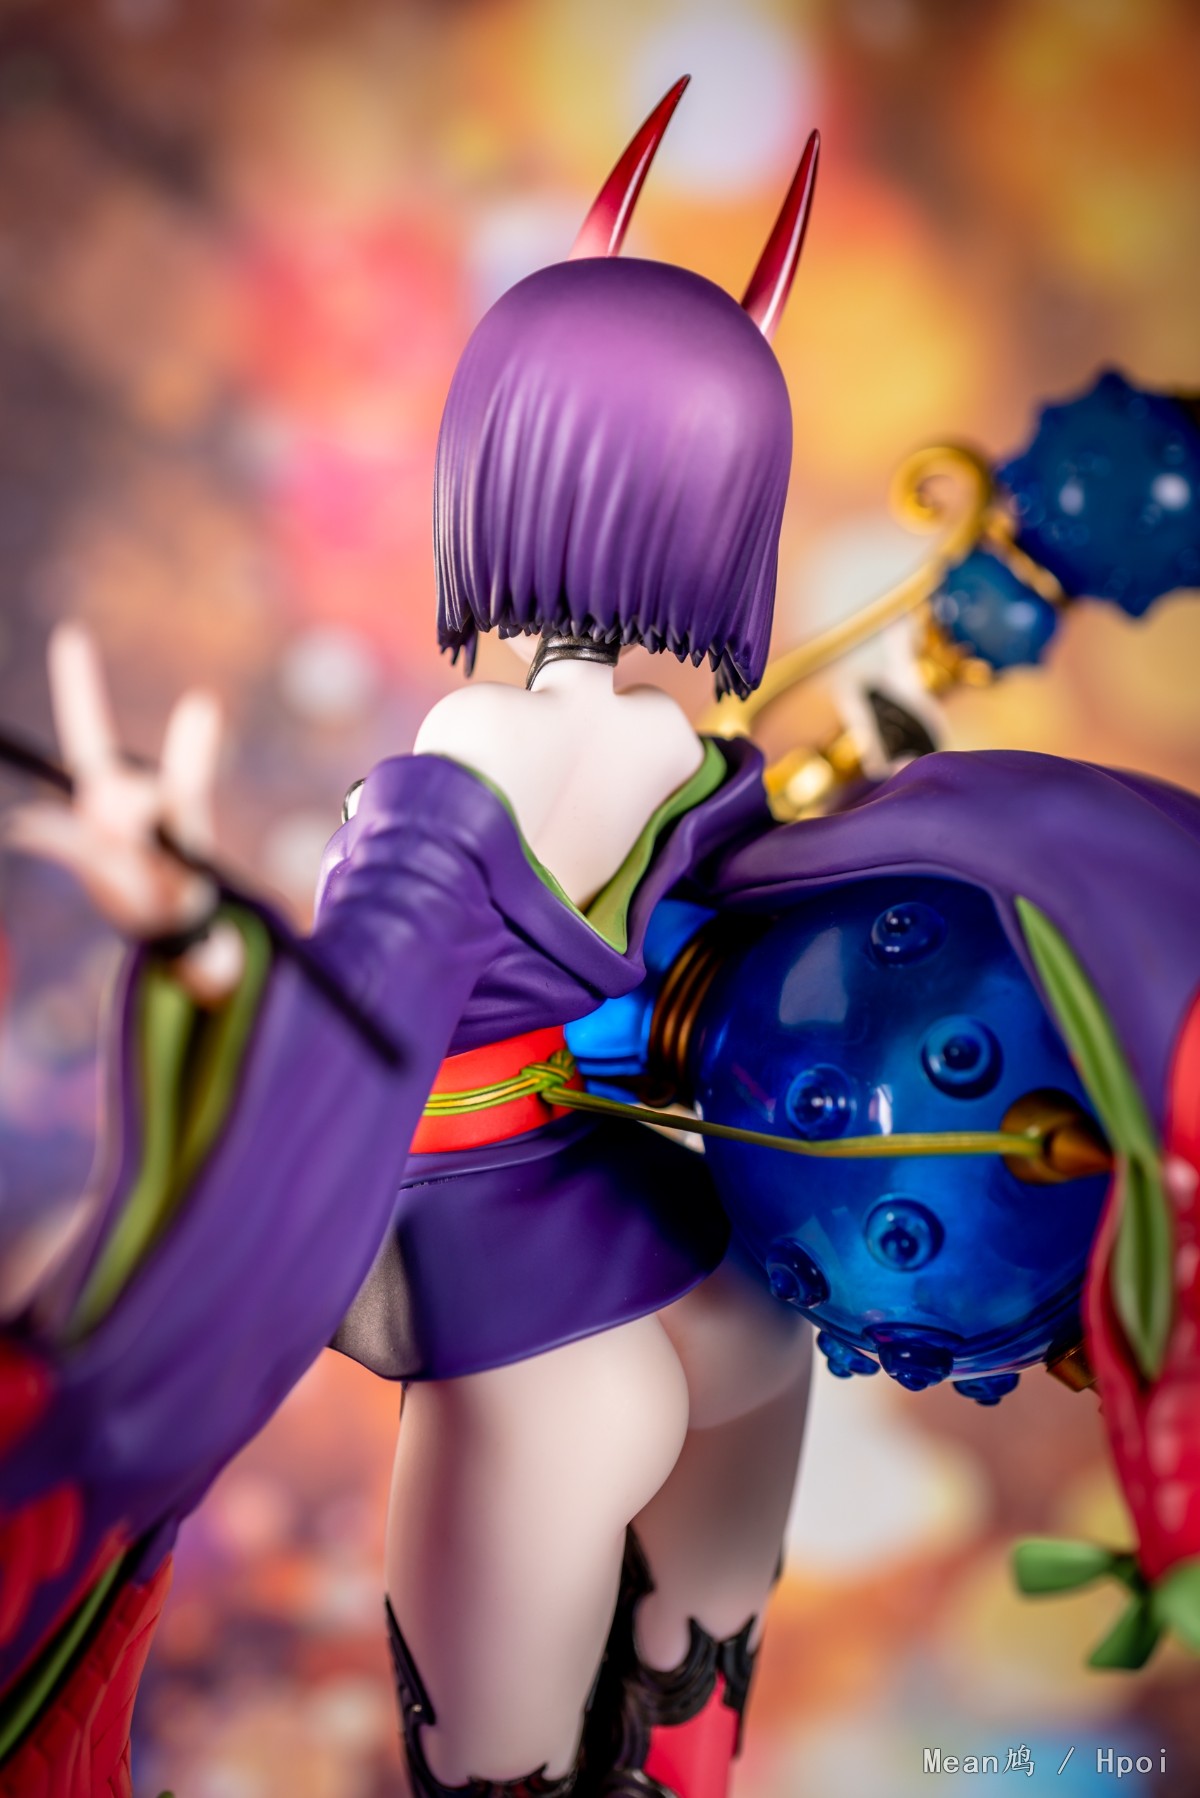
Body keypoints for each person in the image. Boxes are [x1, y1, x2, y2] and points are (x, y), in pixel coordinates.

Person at [0, 85, 823, 1798]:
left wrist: (198, 951)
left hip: (511, 1322)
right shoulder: (695, 763)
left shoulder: (477, 746)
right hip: (720, 1296)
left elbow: (355, 1019)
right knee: (685, 1753)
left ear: (510, 460)